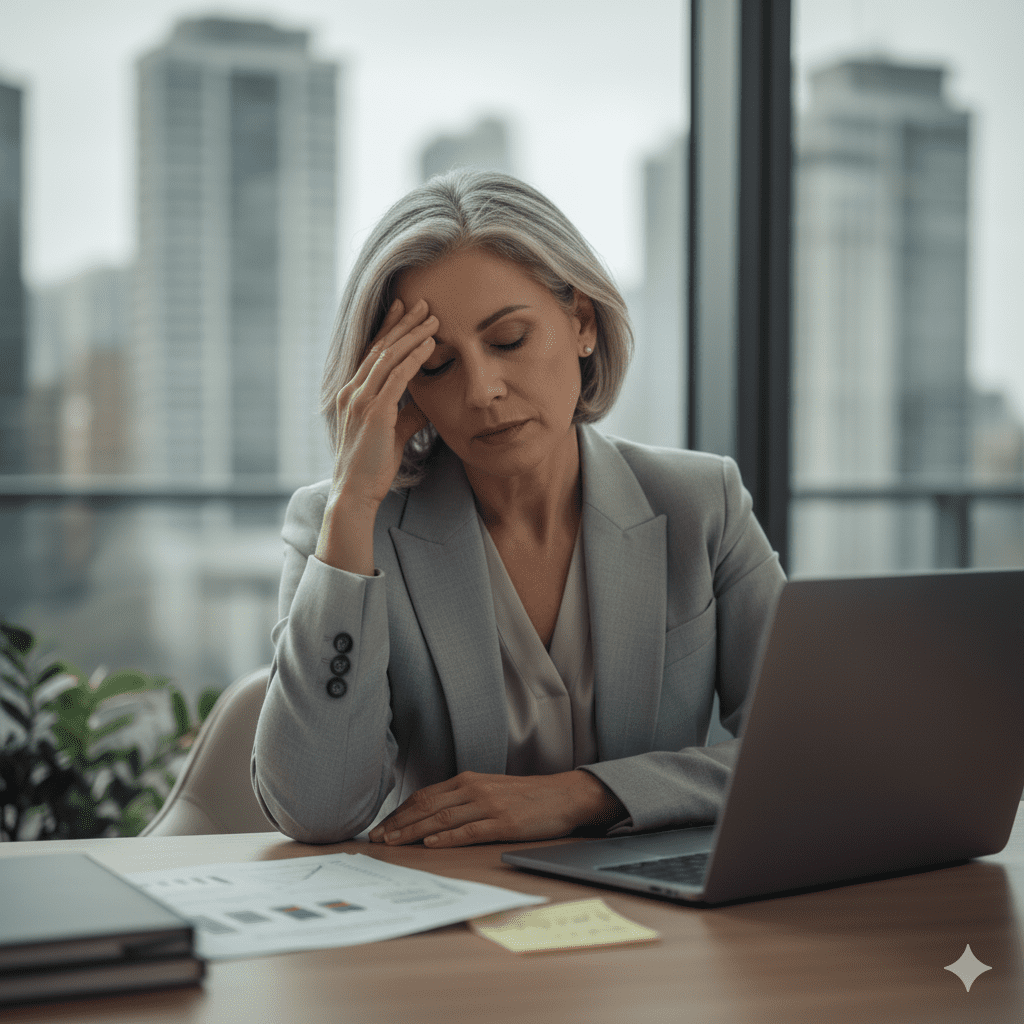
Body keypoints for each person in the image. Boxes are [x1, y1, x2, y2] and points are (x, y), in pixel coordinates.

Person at [252, 169, 785, 847]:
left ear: (582, 323)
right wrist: (353, 503)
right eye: (435, 366)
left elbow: (807, 751)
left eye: (508, 340)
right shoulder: (343, 530)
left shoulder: (702, 504)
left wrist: (587, 796)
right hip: (450, 901)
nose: (482, 390)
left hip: (651, 900)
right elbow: (315, 809)